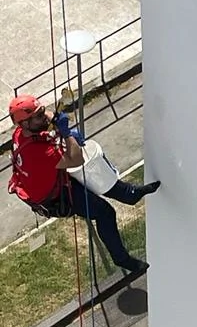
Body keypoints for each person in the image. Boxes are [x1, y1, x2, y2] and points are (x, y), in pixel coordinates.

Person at [7, 94, 159, 273]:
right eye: (39, 115)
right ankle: (122, 259)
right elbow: (76, 159)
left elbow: (43, 121)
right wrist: (66, 134)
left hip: (50, 180)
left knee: (94, 176)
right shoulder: (40, 155)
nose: (44, 115)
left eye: (42, 111)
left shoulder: (20, 133)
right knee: (105, 213)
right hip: (58, 197)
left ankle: (128, 194)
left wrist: (52, 119)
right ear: (25, 123)